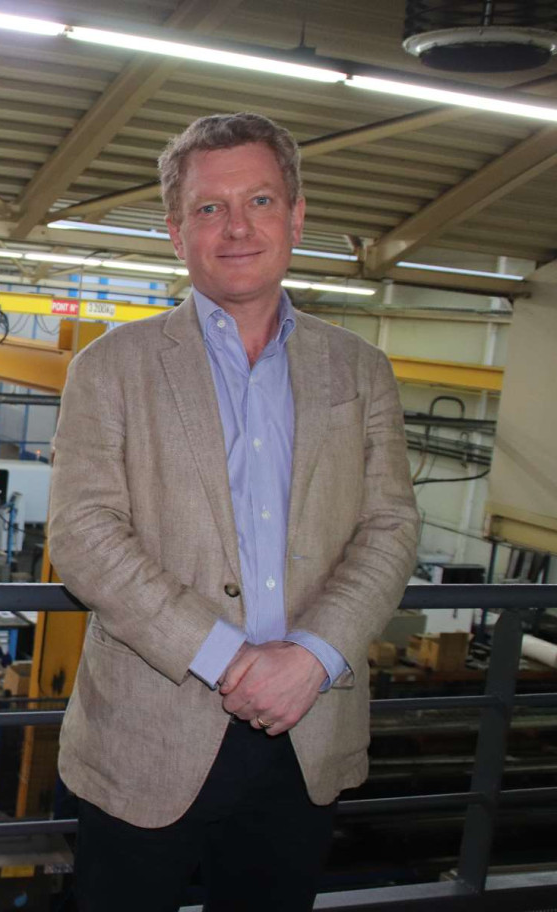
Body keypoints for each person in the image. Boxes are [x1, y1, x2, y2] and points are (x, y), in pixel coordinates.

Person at [49, 113, 420, 911]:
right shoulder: (110, 367)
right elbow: (83, 535)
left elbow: (389, 528)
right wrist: (224, 656)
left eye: (258, 199)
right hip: (149, 733)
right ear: (176, 234)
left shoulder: (360, 371)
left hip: (307, 729)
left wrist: (313, 656)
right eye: (209, 209)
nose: (238, 226)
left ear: (296, 214)